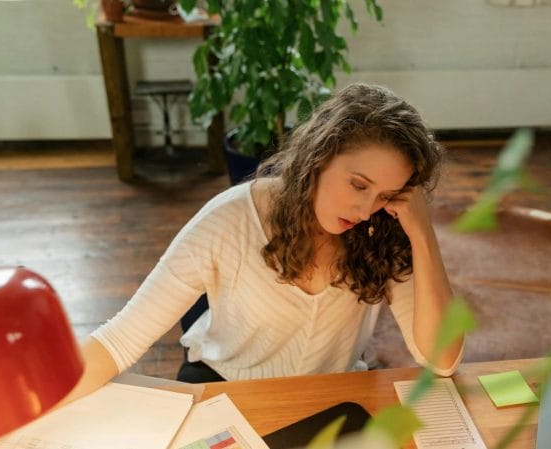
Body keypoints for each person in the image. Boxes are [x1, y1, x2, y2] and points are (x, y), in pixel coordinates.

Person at [65, 83, 464, 401]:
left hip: (330, 398)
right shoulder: (229, 219)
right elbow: (120, 338)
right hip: (225, 385)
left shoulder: (380, 228)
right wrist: (32, 408)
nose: (365, 209)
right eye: (358, 184)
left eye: (384, 195)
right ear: (319, 157)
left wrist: (422, 235)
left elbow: (441, 360)